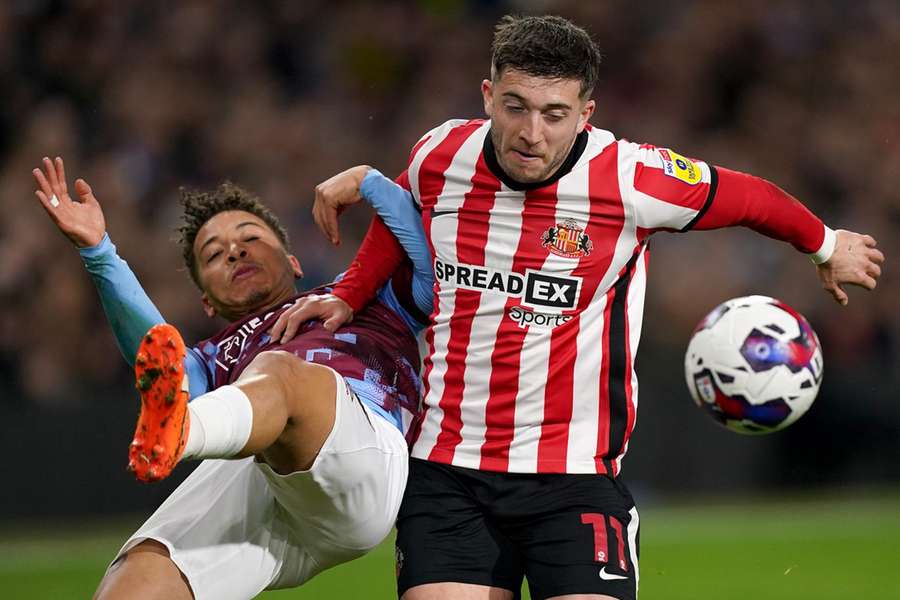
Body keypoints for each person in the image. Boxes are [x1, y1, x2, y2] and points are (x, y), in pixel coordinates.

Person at [299, 14, 886, 600]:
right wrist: (349, 294)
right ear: (487, 95)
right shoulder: (442, 153)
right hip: (447, 469)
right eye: (515, 106)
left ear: (586, 113)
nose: (532, 132)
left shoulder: (631, 178)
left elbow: (748, 196)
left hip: (573, 478)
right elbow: (407, 205)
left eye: (555, 114)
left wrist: (826, 245)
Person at [30, 156, 431, 600]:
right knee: (141, 572)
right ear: (207, 301)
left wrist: (370, 182)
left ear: (294, 261)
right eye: (214, 255)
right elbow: (160, 358)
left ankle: (185, 430)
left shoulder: (362, 295)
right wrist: (99, 251)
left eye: (250, 238)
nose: (234, 252)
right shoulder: (214, 357)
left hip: (365, 456)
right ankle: (183, 427)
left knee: (279, 372)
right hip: (263, 474)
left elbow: (431, 256)